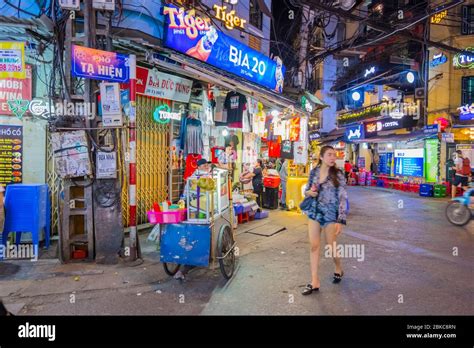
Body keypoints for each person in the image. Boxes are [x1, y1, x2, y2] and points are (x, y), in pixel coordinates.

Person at [301, 145, 348, 295]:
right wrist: (310, 192)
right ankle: (315, 281)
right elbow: (307, 190)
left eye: (334, 155)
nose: (333, 157)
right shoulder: (314, 172)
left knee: (331, 247)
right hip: (314, 212)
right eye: (329, 154)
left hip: (329, 215)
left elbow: (342, 198)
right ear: (321, 157)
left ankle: (338, 267)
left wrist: (340, 220)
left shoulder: (338, 175)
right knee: (314, 246)